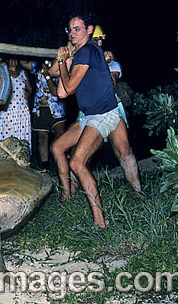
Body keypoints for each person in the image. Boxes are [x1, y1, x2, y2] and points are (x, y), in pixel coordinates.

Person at [51, 12, 142, 230]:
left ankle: (100, 222)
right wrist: (64, 57)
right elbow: (58, 82)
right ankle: (67, 195)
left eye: (77, 29)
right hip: (90, 115)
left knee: (77, 162)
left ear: (88, 30)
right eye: (70, 29)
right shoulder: (80, 52)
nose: (73, 33)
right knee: (57, 146)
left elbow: (69, 87)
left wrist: (65, 60)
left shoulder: (89, 51)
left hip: (105, 115)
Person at [19, 59, 66, 171]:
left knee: (61, 136)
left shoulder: (60, 69)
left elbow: (55, 91)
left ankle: (63, 165)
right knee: (42, 139)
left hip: (56, 109)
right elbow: (22, 62)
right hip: (41, 109)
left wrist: (47, 75)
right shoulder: (37, 67)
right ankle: (45, 169)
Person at [0, 58, 32, 151]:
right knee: (6, 134)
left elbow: (30, 89)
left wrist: (28, 93)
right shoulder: (4, 73)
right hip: (7, 109)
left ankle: (21, 157)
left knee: (21, 136)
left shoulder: (23, 73)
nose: (13, 62)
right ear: (8, 61)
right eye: (11, 59)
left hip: (21, 109)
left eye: (15, 60)